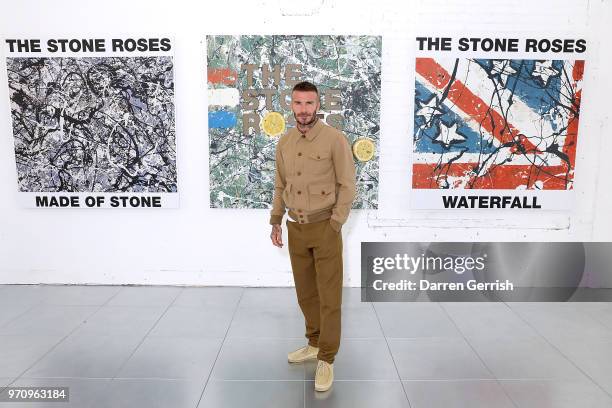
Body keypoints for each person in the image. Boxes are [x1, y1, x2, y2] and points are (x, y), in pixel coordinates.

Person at [269, 81, 356, 392]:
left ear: (318, 105)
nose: (303, 110)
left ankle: (327, 359)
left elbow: (348, 185)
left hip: (325, 228)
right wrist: (276, 219)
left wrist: (336, 223)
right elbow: (280, 185)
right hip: (296, 227)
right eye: (297, 103)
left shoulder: (334, 140)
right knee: (306, 293)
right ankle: (314, 343)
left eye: (309, 103)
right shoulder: (285, 143)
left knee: (329, 297)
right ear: (291, 105)